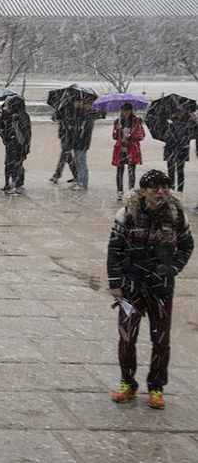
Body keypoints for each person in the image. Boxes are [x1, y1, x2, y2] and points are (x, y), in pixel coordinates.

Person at [107, 169, 193, 410]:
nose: (160, 192)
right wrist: (115, 283)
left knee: (161, 342)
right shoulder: (127, 215)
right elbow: (114, 249)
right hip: (132, 288)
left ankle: (156, 387)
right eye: (155, 188)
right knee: (126, 340)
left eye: (164, 187)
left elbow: (187, 245)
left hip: (161, 289)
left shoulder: (176, 217)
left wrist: (174, 268)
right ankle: (127, 383)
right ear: (143, 191)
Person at [0, 95, 31, 195]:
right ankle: (12, 184)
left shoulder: (18, 117)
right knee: (12, 164)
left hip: (18, 144)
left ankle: (16, 185)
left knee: (16, 164)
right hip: (14, 144)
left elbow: (23, 133)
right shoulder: (13, 116)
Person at [112, 103, 146, 201]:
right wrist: (118, 132)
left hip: (132, 150)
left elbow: (141, 135)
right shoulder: (118, 122)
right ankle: (119, 191)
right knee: (119, 171)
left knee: (131, 172)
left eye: (128, 110)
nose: (126, 112)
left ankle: (131, 191)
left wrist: (131, 137)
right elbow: (114, 137)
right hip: (120, 150)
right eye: (124, 110)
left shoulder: (136, 122)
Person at [162, 108, 195, 193]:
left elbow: (192, 131)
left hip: (182, 148)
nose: (177, 114)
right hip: (170, 147)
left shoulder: (188, 120)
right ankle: (171, 188)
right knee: (170, 171)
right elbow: (163, 133)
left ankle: (180, 190)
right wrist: (172, 121)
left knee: (180, 170)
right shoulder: (169, 121)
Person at [71, 99, 96, 190]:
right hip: (77, 141)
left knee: (81, 162)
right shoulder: (77, 113)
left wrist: (80, 135)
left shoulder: (87, 115)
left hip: (82, 142)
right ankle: (80, 180)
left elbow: (87, 130)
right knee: (78, 161)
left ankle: (83, 182)